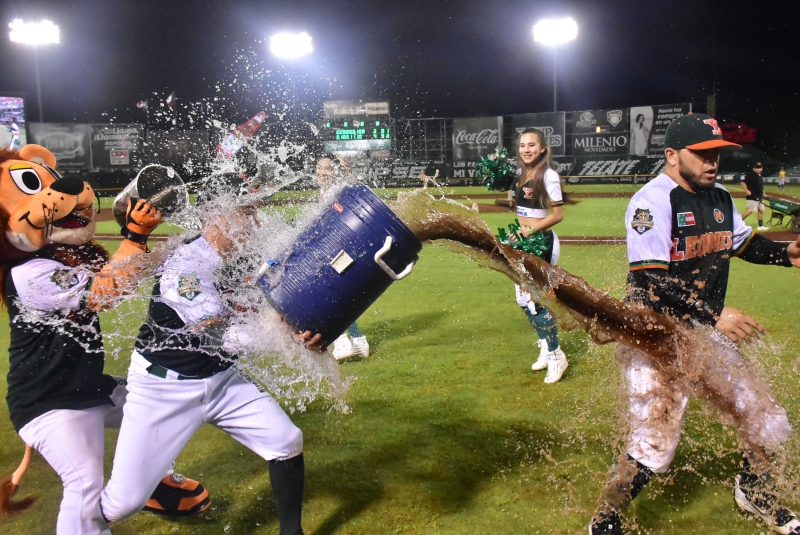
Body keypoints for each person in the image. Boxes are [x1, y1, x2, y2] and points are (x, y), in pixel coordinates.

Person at [589, 114, 800, 535]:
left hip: (701, 331)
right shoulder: (652, 201)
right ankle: (606, 517)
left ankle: (753, 490)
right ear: (671, 156)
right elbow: (651, 276)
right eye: (701, 154)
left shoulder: (719, 197)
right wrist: (716, 314)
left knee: (768, 420)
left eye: (716, 154)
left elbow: (742, 243)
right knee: (655, 446)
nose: (712, 162)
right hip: (654, 336)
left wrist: (786, 253)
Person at [0, 148, 209, 535]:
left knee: (163, 404)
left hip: (86, 388)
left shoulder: (62, 256)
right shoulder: (29, 273)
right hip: (50, 402)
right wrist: (133, 236)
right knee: (84, 485)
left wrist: (178, 247)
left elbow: (129, 271)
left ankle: (149, 484)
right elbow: (105, 293)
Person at [100, 174, 323, 535]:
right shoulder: (186, 266)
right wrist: (287, 336)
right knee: (122, 503)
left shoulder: (243, 257)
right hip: (164, 389)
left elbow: (281, 302)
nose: (255, 222)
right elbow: (225, 336)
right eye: (246, 213)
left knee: (285, 441)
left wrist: (307, 329)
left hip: (220, 378)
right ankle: (80, 517)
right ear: (216, 217)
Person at [510, 127, 568, 383]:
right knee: (524, 301)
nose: (526, 150)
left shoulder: (549, 175)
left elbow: (558, 215)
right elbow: (522, 211)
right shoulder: (522, 174)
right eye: (523, 145)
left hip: (541, 242)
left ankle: (557, 356)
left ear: (542, 148)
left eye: (532, 145)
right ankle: (546, 345)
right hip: (523, 241)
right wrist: (517, 232)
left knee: (537, 300)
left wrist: (530, 230)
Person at [315, 154, 370, 360]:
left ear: (335, 171)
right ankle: (358, 341)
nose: (322, 172)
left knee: (330, 295)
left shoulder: (338, 191)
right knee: (336, 295)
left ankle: (341, 342)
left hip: (342, 250)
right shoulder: (325, 191)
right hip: (334, 250)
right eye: (319, 167)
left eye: (327, 168)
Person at [741, 161, 768, 230]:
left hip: (759, 196)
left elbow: (760, 186)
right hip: (752, 196)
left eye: (760, 168)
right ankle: (738, 223)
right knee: (750, 210)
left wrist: (763, 193)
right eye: (758, 168)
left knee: (761, 210)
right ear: (754, 168)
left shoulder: (759, 176)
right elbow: (743, 183)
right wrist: (747, 191)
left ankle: (760, 226)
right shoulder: (750, 175)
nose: (760, 169)